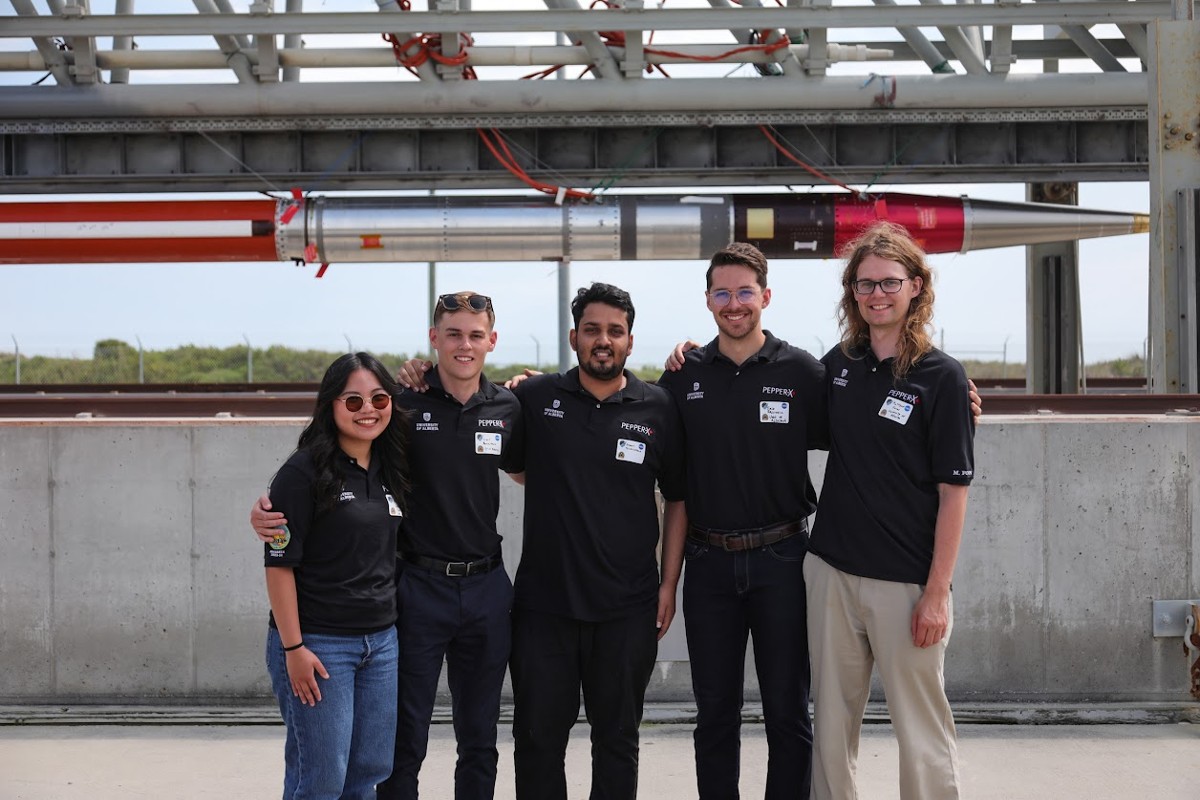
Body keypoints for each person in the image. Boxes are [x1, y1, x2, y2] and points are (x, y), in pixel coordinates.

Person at [255, 292, 522, 800]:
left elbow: (532, 470)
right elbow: (322, 467)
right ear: (434, 339)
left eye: (474, 334)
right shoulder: (405, 403)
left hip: (485, 588)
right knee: (396, 748)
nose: (463, 344)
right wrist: (267, 511)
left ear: (492, 340)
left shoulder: (510, 405)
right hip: (416, 590)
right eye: (452, 334)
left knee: (477, 740)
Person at [805, 221, 974, 800]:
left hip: (906, 585)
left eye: (889, 282)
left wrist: (936, 592)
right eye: (864, 284)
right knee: (829, 727)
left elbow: (955, 493)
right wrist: (687, 358)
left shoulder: (942, 377)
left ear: (917, 287)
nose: (877, 294)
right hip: (832, 572)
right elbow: (768, 388)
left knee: (922, 731)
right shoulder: (839, 363)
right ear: (851, 292)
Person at [506, 282, 688, 800]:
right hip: (545, 607)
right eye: (592, 330)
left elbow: (678, 499)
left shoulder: (659, 407)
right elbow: (518, 468)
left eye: (614, 330)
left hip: (627, 607)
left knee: (617, 740)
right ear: (574, 337)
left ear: (630, 340)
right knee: (538, 742)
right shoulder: (536, 398)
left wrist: (668, 584)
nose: (603, 340)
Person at [656, 242, 824, 799]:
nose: (735, 303)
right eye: (723, 293)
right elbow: (658, 465)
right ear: (707, 301)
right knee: (715, 716)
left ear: (766, 297)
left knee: (788, 713)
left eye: (745, 292)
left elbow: (866, 427)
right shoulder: (684, 375)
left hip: (782, 562)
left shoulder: (802, 371)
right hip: (708, 566)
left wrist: (951, 397)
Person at [262, 352, 413, 800]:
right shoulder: (302, 472)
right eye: (352, 401)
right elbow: (278, 565)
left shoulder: (391, 465)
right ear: (330, 405)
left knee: (369, 770)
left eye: (378, 398)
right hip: (319, 645)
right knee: (322, 778)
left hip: (381, 645)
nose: (368, 409)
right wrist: (294, 648)